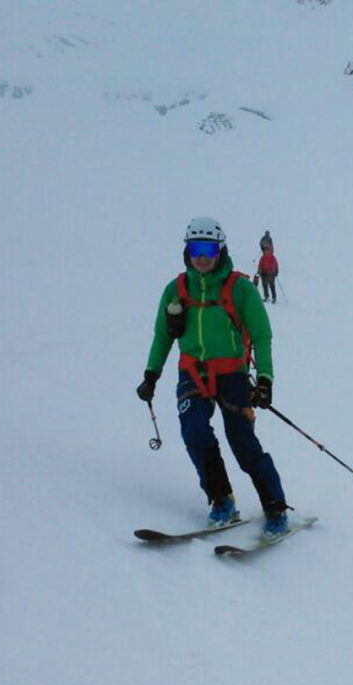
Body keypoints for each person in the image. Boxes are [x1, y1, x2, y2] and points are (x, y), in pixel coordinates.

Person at [137, 217, 290, 536]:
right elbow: (162, 336)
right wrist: (151, 375)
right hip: (192, 373)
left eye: (208, 248)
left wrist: (264, 379)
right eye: (195, 248)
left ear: (220, 249)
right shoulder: (175, 290)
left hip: (231, 374)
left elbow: (262, 335)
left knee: (242, 442)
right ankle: (221, 499)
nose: (201, 256)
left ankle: (275, 506)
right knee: (194, 432)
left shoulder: (240, 288)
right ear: (186, 250)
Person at [255, 230, 280, 304]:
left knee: (272, 286)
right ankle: (266, 296)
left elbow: (276, 264)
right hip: (264, 273)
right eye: (266, 250)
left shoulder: (272, 257)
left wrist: (276, 270)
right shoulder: (262, 258)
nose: (267, 251)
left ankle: (274, 297)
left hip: (271, 273)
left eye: (268, 250)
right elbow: (260, 264)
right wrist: (259, 271)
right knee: (264, 285)